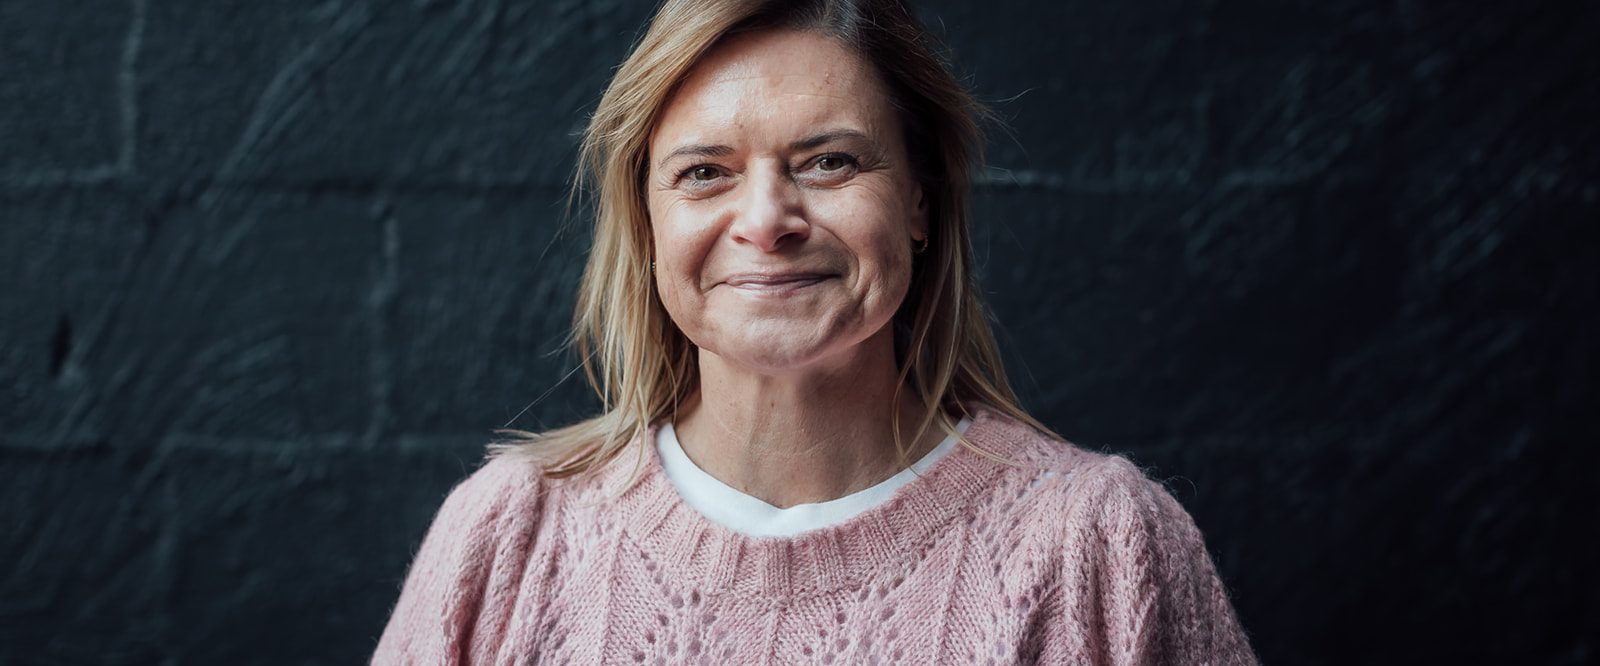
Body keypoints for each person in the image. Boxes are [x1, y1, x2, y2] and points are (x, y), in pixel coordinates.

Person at [373, 0, 1258, 663]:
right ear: (646, 225)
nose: (766, 221)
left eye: (829, 161)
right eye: (705, 172)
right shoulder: (508, 536)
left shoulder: (1099, 547)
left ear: (919, 202)